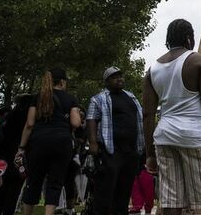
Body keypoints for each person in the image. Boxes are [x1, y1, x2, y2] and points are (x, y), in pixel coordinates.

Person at [143, 19, 201, 215]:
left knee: (171, 200)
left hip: (164, 138)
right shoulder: (199, 62)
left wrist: (150, 153)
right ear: (189, 38)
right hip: (196, 138)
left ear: (169, 39)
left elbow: (148, 115)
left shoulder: (152, 71)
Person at [17, 68, 81, 215]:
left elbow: (30, 124)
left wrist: (21, 147)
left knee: (34, 182)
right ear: (63, 81)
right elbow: (76, 123)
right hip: (61, 143)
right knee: (55, 183)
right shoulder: (70, 99)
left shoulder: (38, 97)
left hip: (38, 143)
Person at [87, 66, 145, 215]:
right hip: (111, 151)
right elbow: (91, 119)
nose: (119, 79)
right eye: (114, 77)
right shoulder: (99, 99)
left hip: (131, 150)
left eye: (120, 76)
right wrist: (93, 143)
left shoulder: (131, 97)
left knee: (124, 191)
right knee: (105, 191)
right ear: (106, 82)